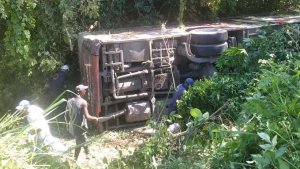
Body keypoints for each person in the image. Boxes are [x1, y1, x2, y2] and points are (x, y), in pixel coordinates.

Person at [65, 84, 100, 161]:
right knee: (79, 143)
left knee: (83, 139)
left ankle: (87, 154)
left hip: (73, 126)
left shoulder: (69, 101)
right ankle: (75, 158)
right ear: (81, 92)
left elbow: (66, 115)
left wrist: (68, 125)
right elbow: (87, 117)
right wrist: (95, 118)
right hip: (80, 127)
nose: (86, 91)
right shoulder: (83, 102)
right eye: (85, 90)